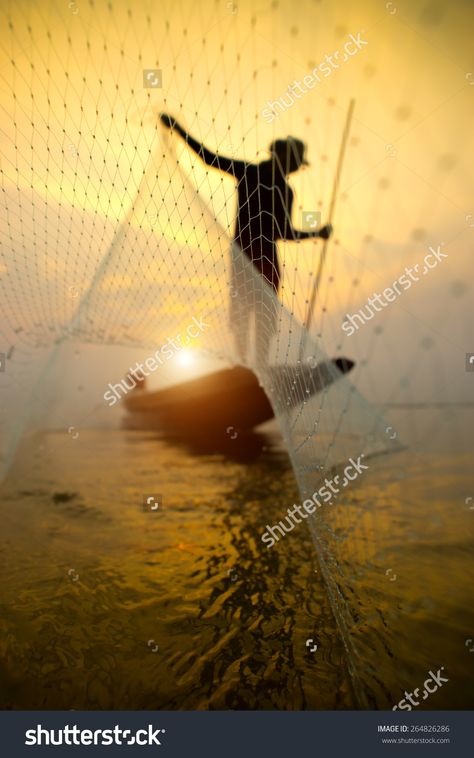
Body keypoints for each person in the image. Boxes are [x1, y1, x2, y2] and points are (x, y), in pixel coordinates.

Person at [160, 114, 332, 363]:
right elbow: (210, 159)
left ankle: (261, 368)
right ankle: (242, 367)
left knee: (265, 315)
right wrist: (177, 129)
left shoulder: (286, 190)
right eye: (294, 162)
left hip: (267, 258)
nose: (295, 168)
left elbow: (283, 231)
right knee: (241, 313)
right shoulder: (248, 171)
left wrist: (316, 233)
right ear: (281, 155)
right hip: (243, 255)